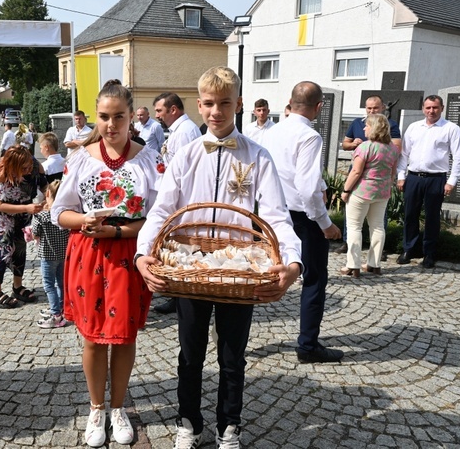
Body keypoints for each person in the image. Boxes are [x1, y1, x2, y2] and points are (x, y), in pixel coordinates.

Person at [136, 67, 302, 449]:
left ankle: (229, 426)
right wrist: (143, 254)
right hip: (189, 266)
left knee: (232, 357)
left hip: (239, 269)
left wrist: (293, 263)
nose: (216, 112)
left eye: (225, 103)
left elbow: (277, 215)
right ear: (199, 105)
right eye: (209, 104)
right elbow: (162, 211)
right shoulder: (187, 155)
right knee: (190, 354)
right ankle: (188, 423)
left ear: (238, 104)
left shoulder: (258, 156)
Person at [52, 79, 164, 448]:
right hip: (88, 254)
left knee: (124, 336)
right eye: (104, 117)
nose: (111, 124)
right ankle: (96, 407)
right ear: (95, 118)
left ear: (132, 116)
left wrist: (118, 234)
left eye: (119, 116)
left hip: (129, 255)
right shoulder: (80, 158)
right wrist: (83, 221)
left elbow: (162, 216)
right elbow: (59, 212)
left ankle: (119, 408)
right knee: (94, 338)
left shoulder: (150, 159)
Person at [265, 81, 344, 365]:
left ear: (290, 101)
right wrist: (325, 223)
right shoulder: (309, 136)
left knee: (263, 277)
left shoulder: (271, 132)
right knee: (313, 279)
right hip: (301, 218)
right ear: (319, 107)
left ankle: (232, 338)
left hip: (270, 213)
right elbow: (308, 188)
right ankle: (308, 345)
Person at [396, 95, 460, 269]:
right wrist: (400, 176)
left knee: (432, 218)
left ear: (441, 108)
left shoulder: (451, 128)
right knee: (410, 215)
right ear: (423, 108)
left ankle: (429, 253)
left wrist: (451, 181)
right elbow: (404, 154)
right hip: (413, 177)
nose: (431, 111)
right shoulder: (413, 127)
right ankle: (409, 249)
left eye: (435, 107)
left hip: (436, 179)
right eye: (428, 107)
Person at [151, 91, 202, 314]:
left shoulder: (183, 132)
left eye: (159, 111)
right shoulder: (180, 130)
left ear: (173, 109)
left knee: (180, 245)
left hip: (182, 197)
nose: (157, 115)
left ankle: (178, 294)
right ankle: (175, 293)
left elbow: (183, 170)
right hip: (179, 195)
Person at [335, 95, 402, 254]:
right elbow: (345, 144)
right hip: (362, 176)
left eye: (375, 108)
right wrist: (354, 144)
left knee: (369, 222)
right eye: (369, 108)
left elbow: (397, 147)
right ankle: (348, 243)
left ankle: (371, 252)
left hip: (375, 175)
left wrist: (371, 146)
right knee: (353, 218)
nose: (372, 111)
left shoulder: (390, 124)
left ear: (383, 108)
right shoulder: (357, 123)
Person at [0, 145, 47, 309]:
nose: (28, 170)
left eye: (29, 166)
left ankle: (17, 286)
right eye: (24, 168)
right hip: (3, 215)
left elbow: (44, 185)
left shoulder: (34, 165)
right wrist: (26, 208)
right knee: (3, 248)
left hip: (24, 210)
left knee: (20, 247)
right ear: (12, 166)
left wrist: (49, 199)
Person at [32, 180, 70, 329]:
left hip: (48, 255)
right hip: (63, 254)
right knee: (60, 283)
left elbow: (35, 233)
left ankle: (56, 315)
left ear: (48, 194)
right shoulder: (66, 215)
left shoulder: (41, 216)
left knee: (49, 285)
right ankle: (60, 308)